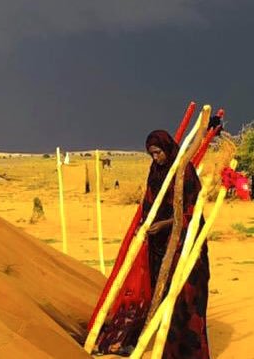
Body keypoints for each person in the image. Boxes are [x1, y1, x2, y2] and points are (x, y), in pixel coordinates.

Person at [88, 130, 211, 358]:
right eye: (151, 154)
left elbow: (192, 211)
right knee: (158, 292)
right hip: (159, 245)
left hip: (185, 243)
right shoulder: (155, 171)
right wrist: (145, 224)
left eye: (158, 152)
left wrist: (166, 224)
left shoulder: (185, 171)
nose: (155, 157)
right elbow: (149, 201)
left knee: (185, 296)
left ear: (167, 149)